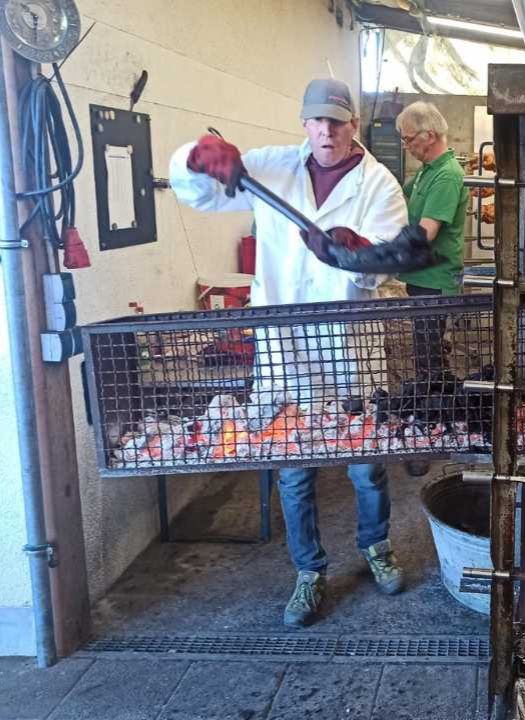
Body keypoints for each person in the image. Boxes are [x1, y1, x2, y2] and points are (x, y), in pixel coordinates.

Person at [169, 78, 415, 628]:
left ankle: (376, 546)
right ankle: (309, 571)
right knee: (293, 467)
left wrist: (356, 258)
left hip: (350, 344)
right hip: (283, 346)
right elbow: (198, 191)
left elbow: (387, 260)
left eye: (337, 121)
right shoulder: (270, 166)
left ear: (355, 124)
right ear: (304, 123)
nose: (326, 131)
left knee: (365, 463)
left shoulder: (381, 185)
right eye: (316, 120)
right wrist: (197, 158)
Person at [394, 102, 468, 476]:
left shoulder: (447, 176)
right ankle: (441, 411)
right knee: (429, 349)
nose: (405, 145)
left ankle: (432, 428)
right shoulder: (425, 172)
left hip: (435, 281)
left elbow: (425, 234)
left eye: (408, 138)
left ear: (430, 135)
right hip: (420, 279)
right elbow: (395, 200)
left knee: (427, 353)